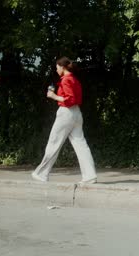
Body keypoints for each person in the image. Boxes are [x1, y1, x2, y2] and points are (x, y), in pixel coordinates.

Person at [32, 56, 97, 184]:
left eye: (57, 68)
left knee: (54, 143)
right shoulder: (74, 80)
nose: (56, 70)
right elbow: (75, 99)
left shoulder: (66, 80)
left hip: (66, 113)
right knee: (81, 145)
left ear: (62, 67)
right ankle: (90, 176)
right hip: (77, 114)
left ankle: (42, 174)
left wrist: (53, 96)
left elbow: (69, 99)